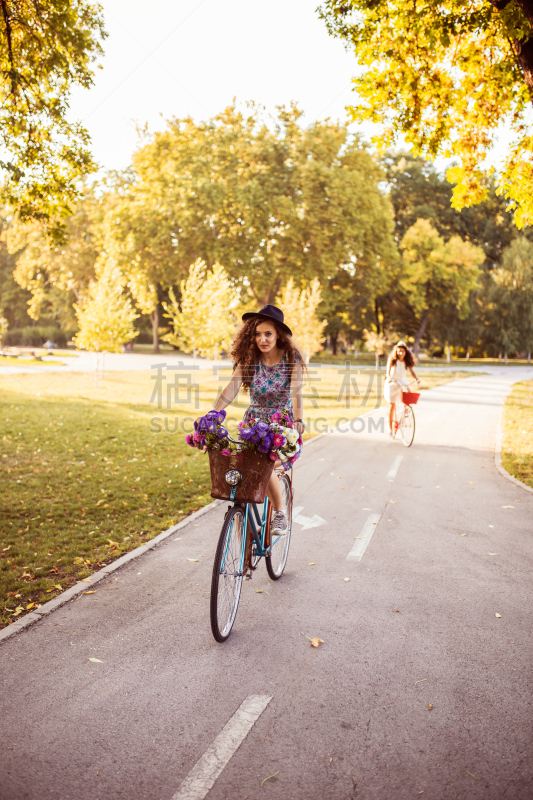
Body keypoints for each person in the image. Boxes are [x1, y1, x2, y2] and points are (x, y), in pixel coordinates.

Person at [213, 304, 305, 535]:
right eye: (257, 334)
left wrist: (299, 419)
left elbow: (296, 392)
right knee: (243, 480)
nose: (262, 339)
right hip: (253, 426)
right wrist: (213, 414)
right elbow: (231, 388)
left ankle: (281, 514)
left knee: (263, 465)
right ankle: (243, 556)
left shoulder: (291, 359)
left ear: (278, 335)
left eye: (268, 334)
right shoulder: (250, 360)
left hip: (281, 427)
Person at [384, 341, 420, 436]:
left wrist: (416, 379)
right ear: (396, 351)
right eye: (399, 351)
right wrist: (389, 378)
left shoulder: (406, 361)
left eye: (402, 351)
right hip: (393, 381)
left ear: (405, 352)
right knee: (392, 405)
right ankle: (390, 428)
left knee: (408, 390)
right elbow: (387, 371)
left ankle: (406, 409)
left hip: (402, 381)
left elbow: (412, 372)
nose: (401, 353)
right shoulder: (392, 360)